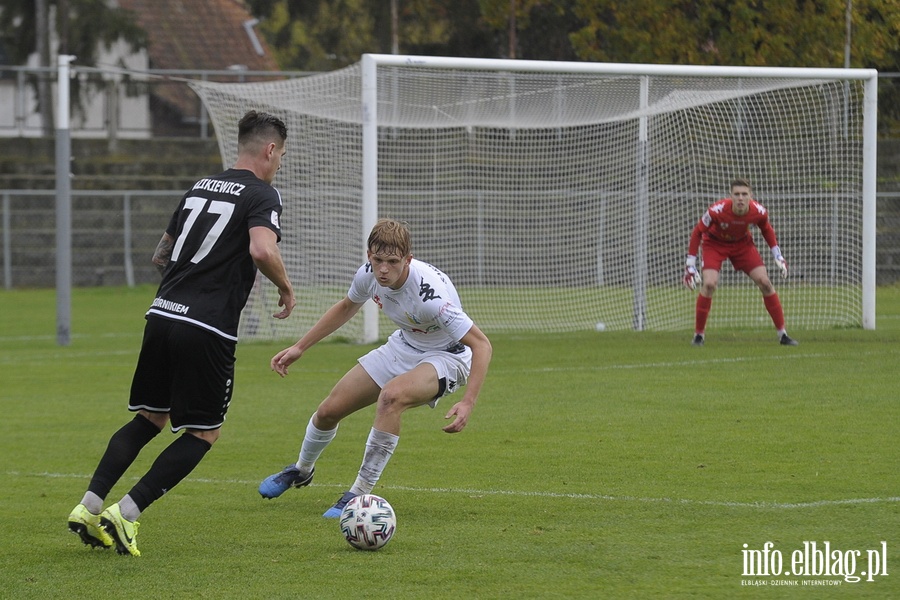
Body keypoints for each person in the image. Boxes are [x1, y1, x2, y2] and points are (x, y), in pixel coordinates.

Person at [67, 110, 295, 556]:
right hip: (206, 326)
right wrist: (285, 288)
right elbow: (262, 247)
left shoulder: (200, 186)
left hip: (162, 312)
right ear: (269, 150)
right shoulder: (263, 193)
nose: (280, 163)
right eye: (281, 155)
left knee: (150, 417)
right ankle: (126, 513)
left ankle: (89, 506)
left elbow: (162, 252)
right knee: (204, 433)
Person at [259, 218, 492, 517]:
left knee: (391, 397)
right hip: (403, 345)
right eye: (377, 259)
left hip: (447, 356)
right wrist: (300, 347)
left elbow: (482, 345)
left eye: (392, 262)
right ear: (369, 255)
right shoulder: (368, 275)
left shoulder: (430, 297)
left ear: (408, 259)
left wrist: (468, 402)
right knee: (329, 410)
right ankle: (301, 470)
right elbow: (346, 306)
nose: (383, 269)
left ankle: (358, 494)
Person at [683, 178, 798, 347]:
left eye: (744, 194)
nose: (740, 198)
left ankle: (783, 335)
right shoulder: (717, 210)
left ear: (751, 196)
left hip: (742, 245)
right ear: (731, 196)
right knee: (709, 284)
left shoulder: (758, 211)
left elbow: (766, 229)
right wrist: (690, 265)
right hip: (715, 244)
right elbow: (697, 232)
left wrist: (778, 255)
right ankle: (698, 335)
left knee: (765, 282)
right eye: (736, 194)